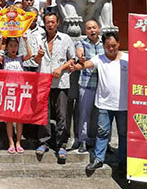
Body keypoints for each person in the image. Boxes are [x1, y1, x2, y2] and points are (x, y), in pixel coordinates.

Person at [72, 33, 128, 172]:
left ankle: (123, 161)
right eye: (108, 46)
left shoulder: (127, 59)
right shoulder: (100, 58)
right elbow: (86, 65)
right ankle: (98, 159)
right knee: (102, 132)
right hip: (104, 104)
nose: (111, 49)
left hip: (124, 105)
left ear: (119, 44)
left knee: (123, 134)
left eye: (113, 46)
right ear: (104, 46)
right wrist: (78, 65)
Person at [33, 13, 75, 161]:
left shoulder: (65, 38)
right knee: (43, 114)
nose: (50, 25)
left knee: (62, 114)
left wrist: (61, 68)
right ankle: (43, 142)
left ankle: (61, 144)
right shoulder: (39, 38)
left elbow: (72, 59)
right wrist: (39, 56)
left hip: (61, 81)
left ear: (58, 23)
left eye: (52, 22)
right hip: (43, 81)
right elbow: (34, 61)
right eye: (47, 22)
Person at [0, 35, 33, 154]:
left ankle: (18, 142)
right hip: (8, 92)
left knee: (19, 118)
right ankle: (11, 143)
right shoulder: (4, 58)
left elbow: (30, 55)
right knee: (9, 119)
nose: (13, 48)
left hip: (19, 91)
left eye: (15, 46)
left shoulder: (20, 58)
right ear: (7, 47)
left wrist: (26, 41)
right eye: (11, 46)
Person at [74, 19, 104, 153]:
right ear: (85, 31)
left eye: (94, 27)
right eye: (89, 28)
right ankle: (83, 141)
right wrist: (81, 58)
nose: (92, 30)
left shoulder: (105, 42)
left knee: (103, 115)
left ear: (99, 29)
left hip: (104, 85)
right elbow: (79, 51)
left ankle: (103, 142)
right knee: (84, 113)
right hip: (87, 83)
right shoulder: (81, 42)